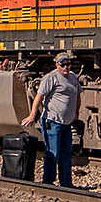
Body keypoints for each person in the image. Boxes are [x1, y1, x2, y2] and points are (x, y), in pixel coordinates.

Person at [20, 51, 82, 187]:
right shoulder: (51, 78)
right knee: (52, 152)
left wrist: (76, 111)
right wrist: (32, 115)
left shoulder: (72, 77)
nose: (66, 67)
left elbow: (77, 95)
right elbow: (39, 97)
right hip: (52, 121)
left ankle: (66, 183)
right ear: (57, 65)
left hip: (66, 123)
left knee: (66, 153)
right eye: (63, 64)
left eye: (68, 64)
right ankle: (48, 182)